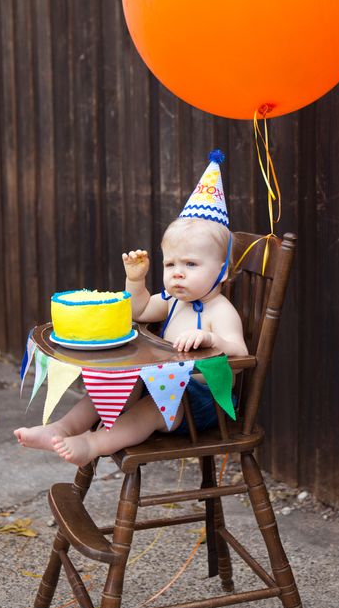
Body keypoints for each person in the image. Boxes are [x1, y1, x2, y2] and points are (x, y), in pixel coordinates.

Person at [14, 151, 248, 466]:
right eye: (170, 263)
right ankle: (61, 427)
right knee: (119, 381)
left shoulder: (221, 311)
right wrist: (135, 281)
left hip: (203, 404)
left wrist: (212, 341)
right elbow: (138, 310)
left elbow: (239, 351)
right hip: (167, 386)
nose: (177, 272)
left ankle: (92, 444)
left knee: (152, 406)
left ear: (223, 271)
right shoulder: (172, 301)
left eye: (190, 264)